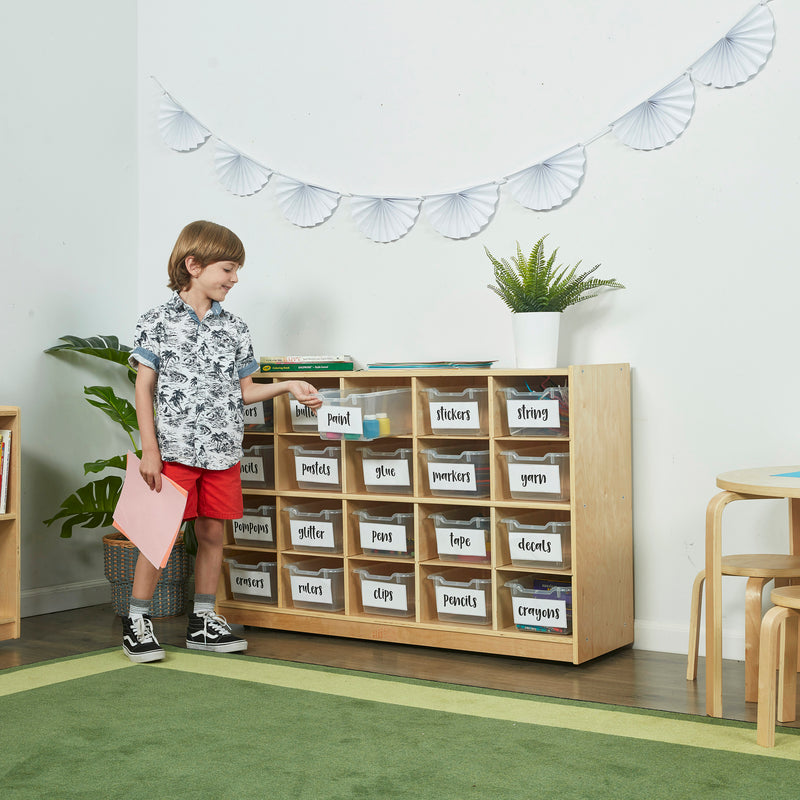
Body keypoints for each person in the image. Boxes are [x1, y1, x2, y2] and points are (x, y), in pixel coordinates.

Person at [122, 220, 322, 663]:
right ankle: (137, 620)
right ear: (193, 265)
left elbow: (245, 390)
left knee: (213, 533)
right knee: (160, 535)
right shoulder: (157, 321)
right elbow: (143, 388)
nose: (235, 278)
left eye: (236, 270)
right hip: (173, 451)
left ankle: (203, 620)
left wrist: (289, 386)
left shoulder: (234, 327)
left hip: (222, 451)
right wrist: (149, 450)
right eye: (228, 269)